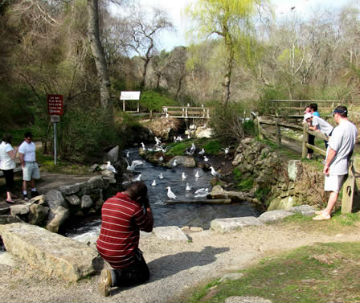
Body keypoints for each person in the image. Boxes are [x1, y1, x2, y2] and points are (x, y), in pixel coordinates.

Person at [96, 181, 154, 296]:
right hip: (120, 254)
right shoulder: (134, 208)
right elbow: (148, 227)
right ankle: (113, 277)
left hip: (103, 250)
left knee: (135, 263)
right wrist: (147, 207)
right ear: (139, 197)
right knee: (143, 275)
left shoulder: (108, 201)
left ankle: (119, 269)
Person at [313, 106, 358, 221]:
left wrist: (327, 164)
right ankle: (327, 209)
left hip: (336, 163)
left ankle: (327, 213)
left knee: (334, 189)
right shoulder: (353, 128)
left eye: (334, 115)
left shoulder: (339, 129)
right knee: (334, 188)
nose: (334, 117)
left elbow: (333, 149)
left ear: (337, 115)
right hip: (344, 161)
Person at [18, 132, 40, 200]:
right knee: (25, 179)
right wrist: (22, 163)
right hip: (27, 163)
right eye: (28, 139)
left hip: (33, 162)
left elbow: (33, 153)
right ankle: (25, 194)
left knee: (33, 177)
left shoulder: (33, 144)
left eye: (30, 139)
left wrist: (36, 161)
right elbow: (21, 155)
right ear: (25, 138)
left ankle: (33, 191)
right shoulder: (23, 146)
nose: (29, 140)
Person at [0, 134, 18, 203]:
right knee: (9, 182)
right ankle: (8, 197)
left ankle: (10, 194)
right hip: (8, 166)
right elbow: (13, 157)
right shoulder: (8, 146)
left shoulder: (1, 145)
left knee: (9, 180)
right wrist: (15, 150)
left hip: (3, 165)